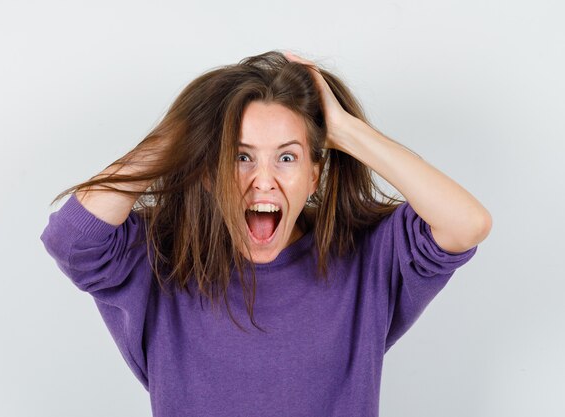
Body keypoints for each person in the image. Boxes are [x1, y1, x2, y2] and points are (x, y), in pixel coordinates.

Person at [40, 50, 491, 417]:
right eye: (240, 157)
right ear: (209, 173)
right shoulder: (159, 258)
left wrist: (348, 131)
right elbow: (72, 239)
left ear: (316, 174)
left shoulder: (367, 259)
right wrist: (185, 133)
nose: (264, 179)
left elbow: (466, 224)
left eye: (288, 158)